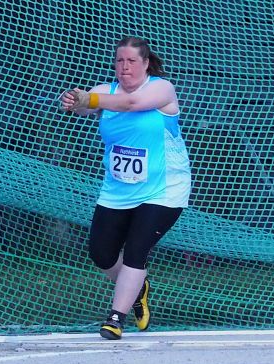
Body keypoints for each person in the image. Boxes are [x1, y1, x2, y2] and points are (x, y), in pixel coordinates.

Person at [60, 36, 191, 340]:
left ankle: (115, 318)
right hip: (118, 190)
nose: (125, 66)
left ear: (145, 64)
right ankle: (138, 288)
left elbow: (131, 104)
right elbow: (83, 106)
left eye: (132, 61)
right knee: (102, 254)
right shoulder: (105, 91)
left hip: (165, 190)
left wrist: (88, 100)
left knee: (136, 250)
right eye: (120, 61)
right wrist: (73, 100)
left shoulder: (161, 89)